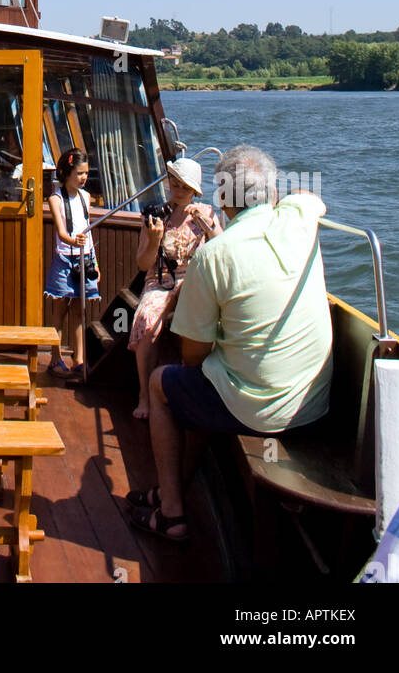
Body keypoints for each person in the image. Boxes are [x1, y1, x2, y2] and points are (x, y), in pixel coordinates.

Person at [129, 144, 333, 543]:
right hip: (316, 401)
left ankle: (170, 513)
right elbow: (311, 198)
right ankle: (173, 491)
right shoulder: (299, 219)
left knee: (162, 382)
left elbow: (192, 355)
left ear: (221, 198)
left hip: (260, 411)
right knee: (213, 384)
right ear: (273, 192)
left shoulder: (215, 256)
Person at [128, 158, 221, 419]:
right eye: (175, 184)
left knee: (203, 320)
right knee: (147, 319)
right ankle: (145, 395)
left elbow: (224, 247)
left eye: (186, 187)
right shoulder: (156, 215)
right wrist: (155, 240)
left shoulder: (206, 214)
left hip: (192, 282)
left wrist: (207, 226)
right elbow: (143, 263)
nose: (179, 191)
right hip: (159, 281)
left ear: (195, 190)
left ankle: (192, 391)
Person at [44, 148, 100, 380]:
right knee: (60, 309)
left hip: (85, 258)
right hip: (65, 259)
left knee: (79, 310)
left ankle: (79, 358)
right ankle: (55, 357)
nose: (83, 178)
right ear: (66, 173)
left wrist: (95, 262)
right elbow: (62, 232)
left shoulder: (86, 198)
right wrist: (72, 241)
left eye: (86, 173)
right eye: (79, 173)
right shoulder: (55, 199)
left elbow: (88, 234)